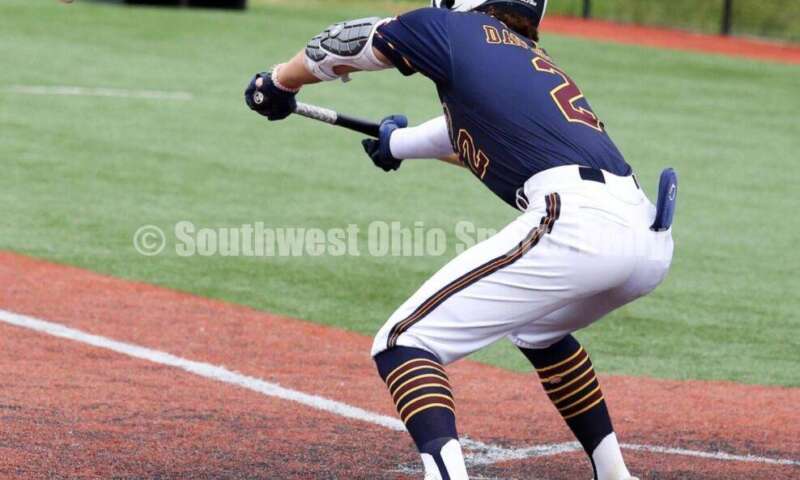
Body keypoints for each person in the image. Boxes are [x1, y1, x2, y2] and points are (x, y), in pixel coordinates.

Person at [244, 1, 676, 478]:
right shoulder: (528, 60)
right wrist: (399, 144)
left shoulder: (451, 28)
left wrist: (281, 81)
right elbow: (466, 136)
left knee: (402, 342)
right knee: (540, 331)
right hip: (645, 234)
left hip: (579, 222)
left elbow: (350, 40)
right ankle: (614, 474)